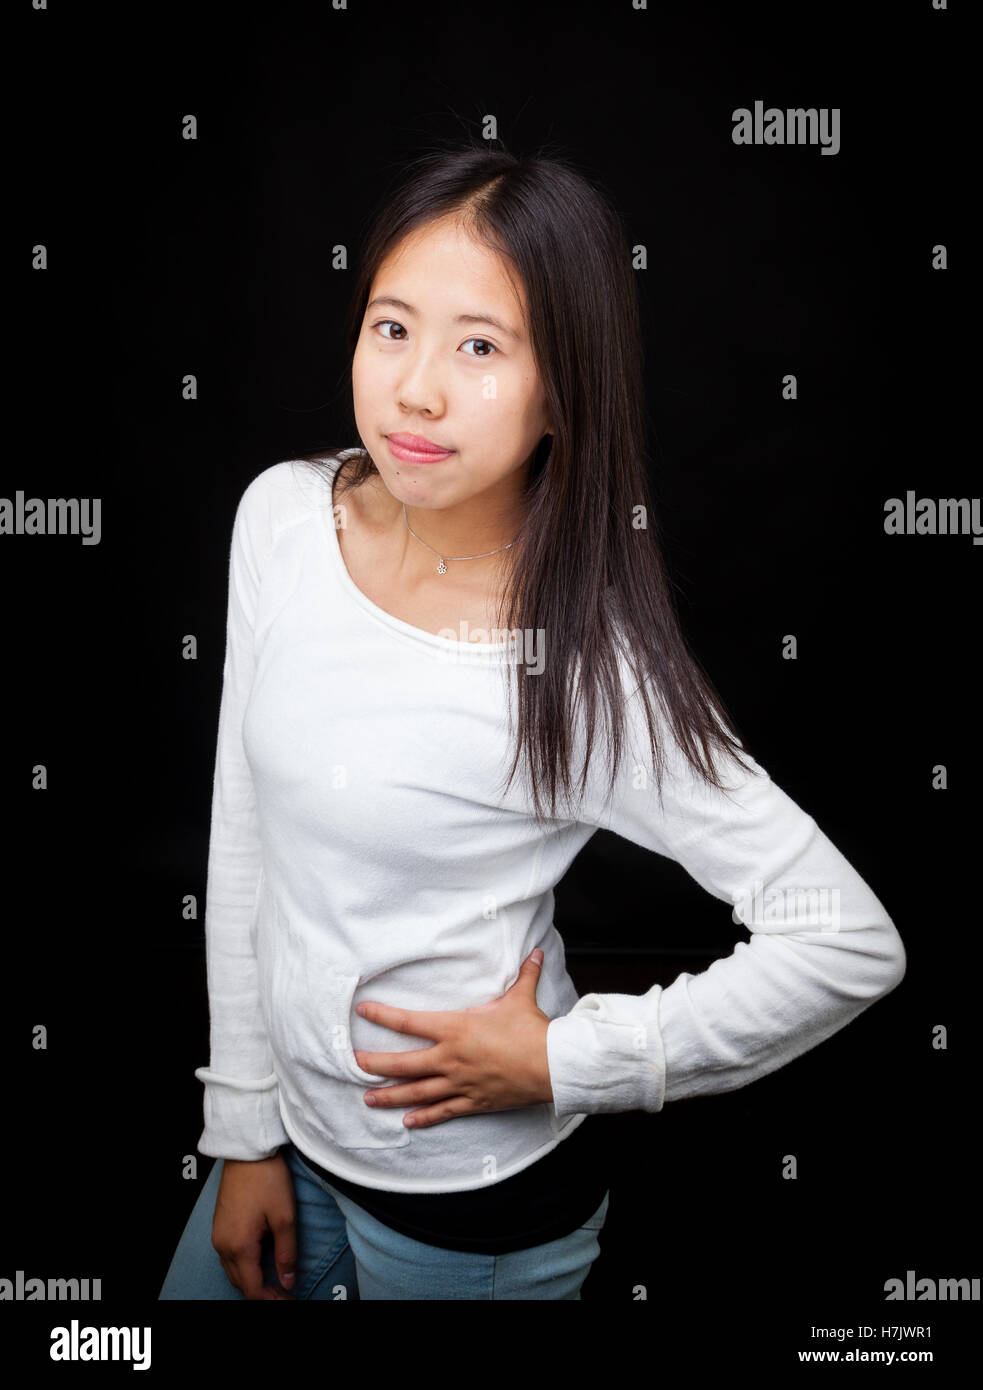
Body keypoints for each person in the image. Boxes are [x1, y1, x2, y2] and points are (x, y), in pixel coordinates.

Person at [159, 142, 906, 1302]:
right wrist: (243, 1127)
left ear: (564, 384)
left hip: (477, 1218)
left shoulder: (584, 666)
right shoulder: (284, 519)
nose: (415, 389)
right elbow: (246, 831)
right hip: (288, 1153)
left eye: (479, 347)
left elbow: (845, 939)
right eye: (391, 326)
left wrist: (570, 1058)